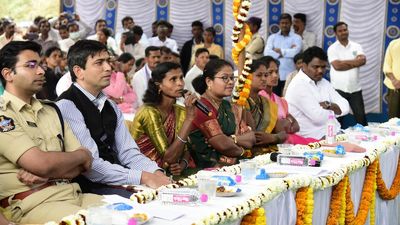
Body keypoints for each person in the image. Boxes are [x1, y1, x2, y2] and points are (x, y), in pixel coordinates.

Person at [0, 41, 103, 224]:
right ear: (8, 74)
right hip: (34, 204)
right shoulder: (3, 114)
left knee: (134, 213)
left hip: (74, 196)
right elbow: (41, 163)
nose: (40, 71)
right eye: (31, 66)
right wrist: (75, 158)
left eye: (40, 65)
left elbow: (85, 163)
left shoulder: (51, 110)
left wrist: (52, 170)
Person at [57, 40, 170, 198]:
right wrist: (143, 177)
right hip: (88, 188)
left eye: (108, 61)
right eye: (99, 63)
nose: (109, 68)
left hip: (118, 179)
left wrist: (155, 172)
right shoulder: (67, 106)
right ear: (78, 71)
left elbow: (128, 153)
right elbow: (92, 166)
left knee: (166, 194)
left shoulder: (110, 105)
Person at [129, 62, 197, 176]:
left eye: (181, 78)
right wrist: (189, 119)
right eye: (173, 79)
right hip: (143, 173)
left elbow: (186, 148)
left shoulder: (180, 111)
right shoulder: (148, 112)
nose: (180, 83)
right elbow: (169, 157)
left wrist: (182, 164)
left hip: (169, 172)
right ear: (158, 85)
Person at [190, 59, 255, 169]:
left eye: (231, 78)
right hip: (208, 168)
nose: (230, 82)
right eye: (224, 78)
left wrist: (232, 139)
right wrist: (242, 150)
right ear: (209, 81)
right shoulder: (202, 107)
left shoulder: (229, 106)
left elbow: (251, 138)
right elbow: (222, 144)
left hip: (234, 165)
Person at [285, 46, 349, 139]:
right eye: (316, 67)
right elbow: (318, 118)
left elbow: (345, 106)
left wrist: (329, 105)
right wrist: (336, 110)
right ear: (304, 65)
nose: (320, 71)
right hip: (312, 140)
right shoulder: (298, 85)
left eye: (323, 67)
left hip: (333, 134)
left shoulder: (323, 82)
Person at [257, 57, 317, 145]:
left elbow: (296, 126)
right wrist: (287, 122)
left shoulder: (280, 100)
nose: (275, 76)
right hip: (273, 141)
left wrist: (286, 122)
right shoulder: (260, 97)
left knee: (314, 143)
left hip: (287, 139)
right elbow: (275, 127)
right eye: (270, 72)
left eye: (276, 72)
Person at [327, 21, 367, 126]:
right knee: (338, 119)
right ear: (335, 34)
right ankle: (336, 140)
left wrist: (343, 62)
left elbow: (362, 61)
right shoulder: (332, 49)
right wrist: (354, 62)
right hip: (338, 89)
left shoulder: (356, 46)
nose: (343, 32)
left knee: (361, 118)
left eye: (345, 30)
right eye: (340, 31)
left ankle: (365, 140)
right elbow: (337, 66)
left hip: (355, 89)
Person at [264, 13, 302, 96]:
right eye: (282, 23)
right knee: (274, 98)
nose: (284, 25)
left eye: (286, 23)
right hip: (275, 75)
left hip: (290, 73)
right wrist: (287, 52)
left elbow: (296, 52)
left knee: (289, 98)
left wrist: (280, 51)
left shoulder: (297, 38)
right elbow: (267, 53)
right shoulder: (272, 37)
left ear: (291, 24)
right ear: (279, 24)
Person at [383, 37, 400, 119]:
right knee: (394, 120)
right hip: (395, 89)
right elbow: (386, 66)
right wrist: (394, 80)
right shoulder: (393, 44)